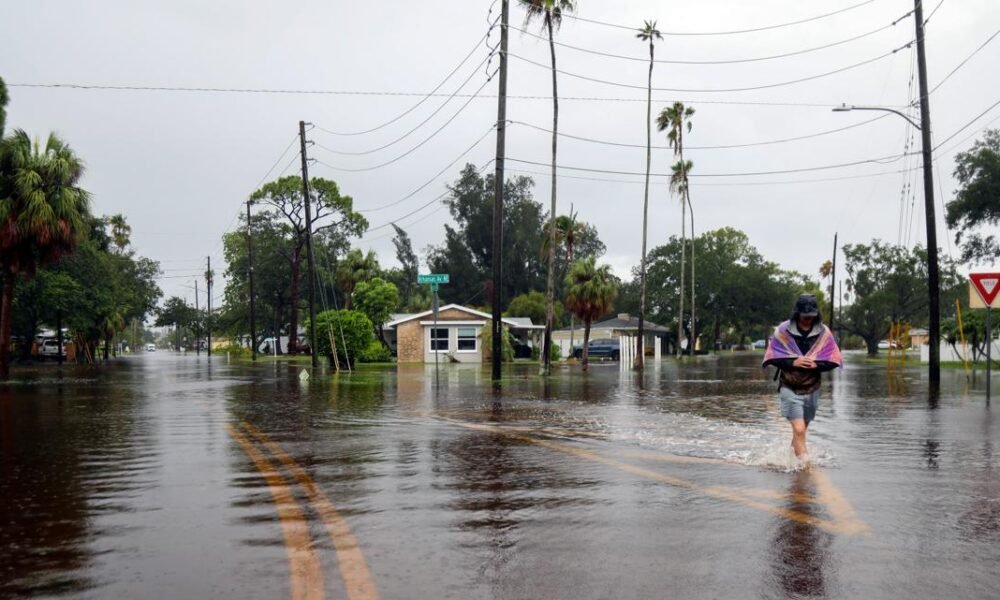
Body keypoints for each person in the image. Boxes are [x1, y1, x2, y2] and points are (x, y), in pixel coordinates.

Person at [762, 294, 843, 460]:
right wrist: (794, 362)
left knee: (801, 431)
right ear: (797, 313)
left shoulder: (823, 333)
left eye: (811, 316)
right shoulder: (783, 331)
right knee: (799, 430)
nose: (808, 319)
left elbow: (834, 359)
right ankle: (805, 468)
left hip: (812, 388)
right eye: (805, 316)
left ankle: (790, 462)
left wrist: (817, 365)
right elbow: (773, 357)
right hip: (789, 386)